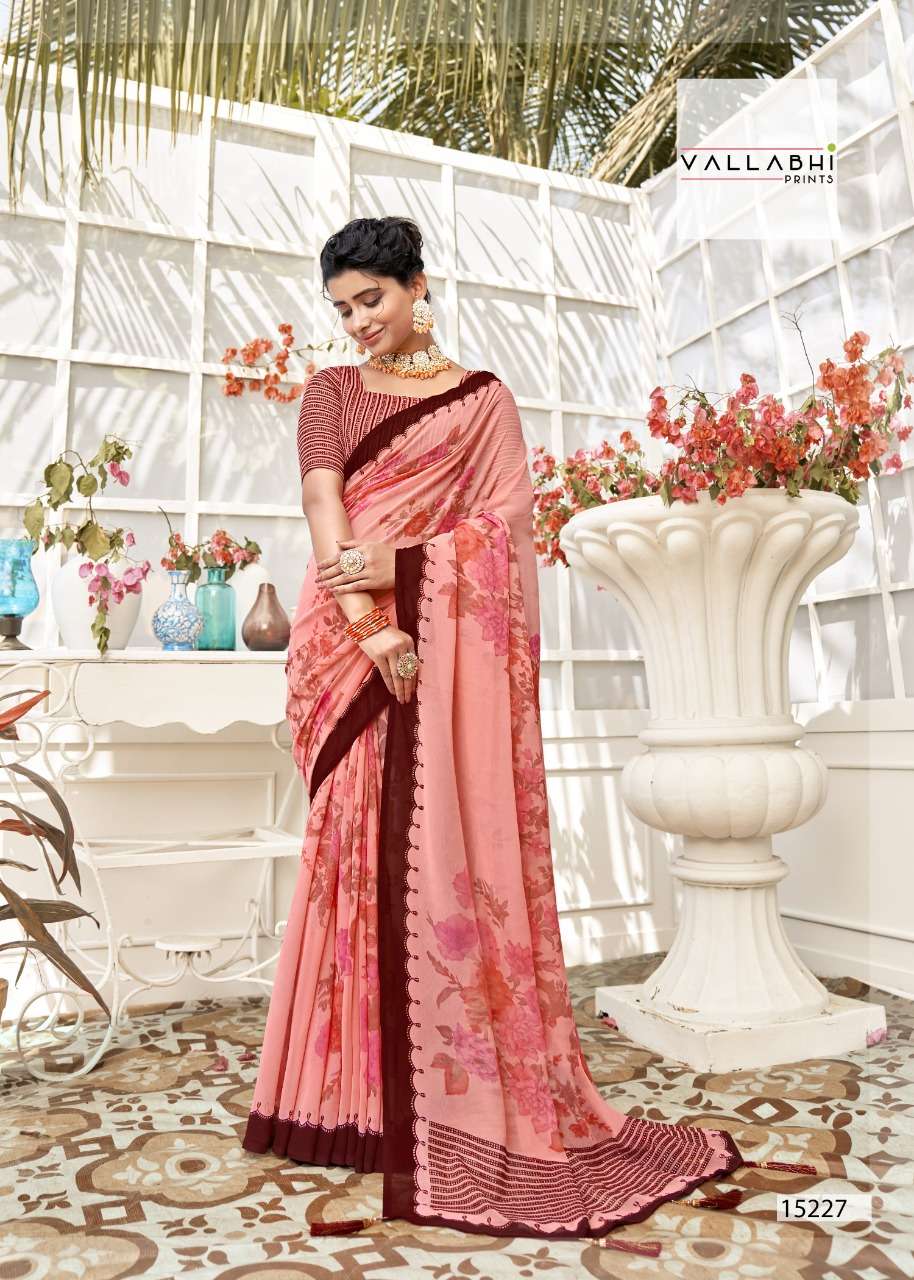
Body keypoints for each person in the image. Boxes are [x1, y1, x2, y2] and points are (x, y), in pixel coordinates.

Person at [241, 215, 743, 1239]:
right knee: (350, 853)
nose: (357, 322)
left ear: (417, 287)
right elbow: (326, 510)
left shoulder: (482, 402)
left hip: (440, 640)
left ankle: (433, 1102)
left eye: (372, 299)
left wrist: (407, 569)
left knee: (434, 863)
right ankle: (337, 1104)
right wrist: (373, 625)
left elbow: (503, 537)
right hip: (353, 645)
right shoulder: (331, 392)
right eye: (341, 307)